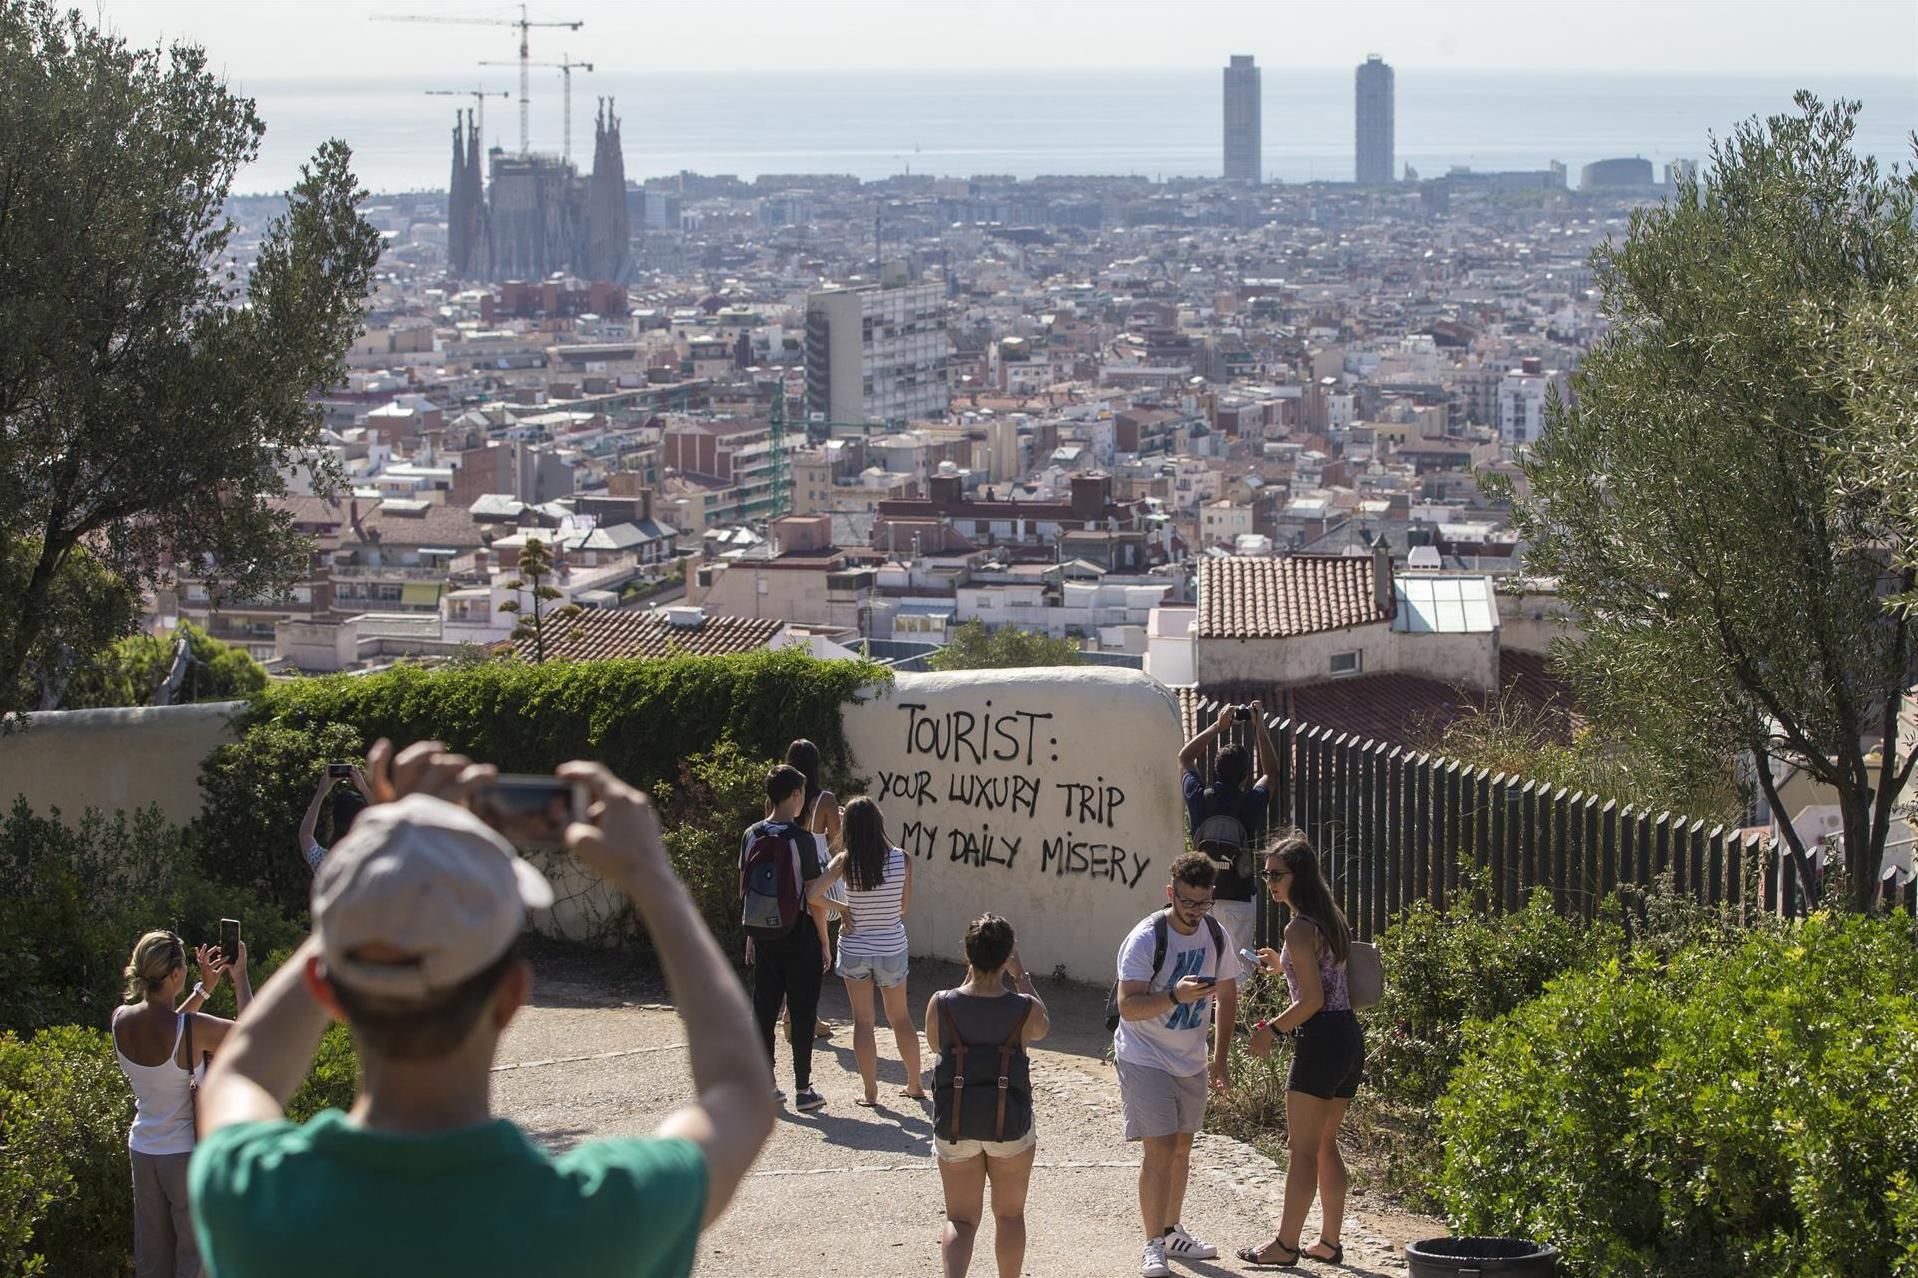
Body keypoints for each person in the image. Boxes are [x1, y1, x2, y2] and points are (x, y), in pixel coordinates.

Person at [189, 740, 776, 1276]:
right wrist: (653, 877)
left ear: (327, 987)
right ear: (513, 997)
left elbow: (240, 1070)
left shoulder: (255, 1198)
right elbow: (742, 1095)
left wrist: (385, 855)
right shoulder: (598, 1219)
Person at [1235, 831, 1364, 1268]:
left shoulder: (1297, 927)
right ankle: (1328, 1242)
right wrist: (1282, 964)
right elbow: (1324, 978)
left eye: (1277, 874)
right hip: (1348, 1037)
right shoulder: (1328, 917)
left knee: (1303, 1150)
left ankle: (1285, 1245)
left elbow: (1311, 1000)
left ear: (1299, 875)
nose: (1269, 881)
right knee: (1326, 1144)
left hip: (1322, 1038)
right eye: (1266, 873)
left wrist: (1270, 1029)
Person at [1113, 852, 1235, 1278]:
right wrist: (1174, 997)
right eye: (1188, 902)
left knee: (1183, 1147)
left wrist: (1219, 1059)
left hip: (1190, 1058)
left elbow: (1228, 994)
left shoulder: (1215, 934)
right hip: (1144, 1055)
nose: (1196, 912)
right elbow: (1127, 1006)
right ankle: (1153, 1246)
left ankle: (1171, 1229)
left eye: (1204, 903)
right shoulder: (1146, 938)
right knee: (1160, 1149)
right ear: (1171, 894)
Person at [112, 929, 251, 1278]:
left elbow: (169, 1028)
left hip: (143, 1151)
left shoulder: (120, 1020)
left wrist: (202, 990)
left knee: (151, 1256)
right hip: (184, 1157)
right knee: (194, 1259)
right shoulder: (192, 1029)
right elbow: (252, 1038)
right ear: (175, 975)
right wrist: (240, 977)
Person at [924, 913, 1050, 1278]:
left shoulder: (942, 1004)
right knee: (1009, 1215)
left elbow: (936, 1045)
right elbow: (1043, 1028)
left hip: (956, 1122)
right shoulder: (1024, 1008)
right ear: (1008, 954)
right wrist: (1021, 975)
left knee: (961, 1219)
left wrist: (971, 976)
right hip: (1008, 1123)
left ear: (967, 954)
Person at [808, 796, 922, 1104]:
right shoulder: (902, 858)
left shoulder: (844, 861)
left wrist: (843, 908)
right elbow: (903, 907)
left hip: (856, 946)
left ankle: (871, 1092)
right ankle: (915, 1084)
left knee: (863, 1021)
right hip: (891, 947)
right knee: (900, 1018)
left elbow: (813, 894)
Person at [742, 762, 832, 1112]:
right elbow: (813, 898)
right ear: (795, 794)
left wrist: (751, 933)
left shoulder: (752, 834)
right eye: (802, 794)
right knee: (803, 1010)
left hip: (764, 934)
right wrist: (824, 941)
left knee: (764, 1011)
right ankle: (803, 1089)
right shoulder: (802, 840)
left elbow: (747, 889)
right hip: (800, 935)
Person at [1178, 701, 1277, 984]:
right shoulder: (1250, 802)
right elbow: (1271, 774)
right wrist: (1260, 728)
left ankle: (1202, 1020)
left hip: (1201, 894)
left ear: (1215, 770)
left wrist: (1217, 727)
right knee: (1238, 969)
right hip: (1239, 893)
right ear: (1245, 776)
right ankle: (1235, 1022)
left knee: (1200, 962)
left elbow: (1185, 758)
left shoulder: (1199, 797)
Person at [779, 738, 843, 1040]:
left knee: (792, 944)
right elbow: (837, 843)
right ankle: (802, 1016)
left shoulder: (777, 797)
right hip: (816, 876)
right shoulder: (825, 800)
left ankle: (793, 1015)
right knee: (817, 947)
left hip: (785, 873)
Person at [296, 765, 369, 873]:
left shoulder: (324, 861)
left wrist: (321, 793)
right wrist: (364, 788)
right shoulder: (374, 861)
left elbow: (305, 834)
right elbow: (389, 822)